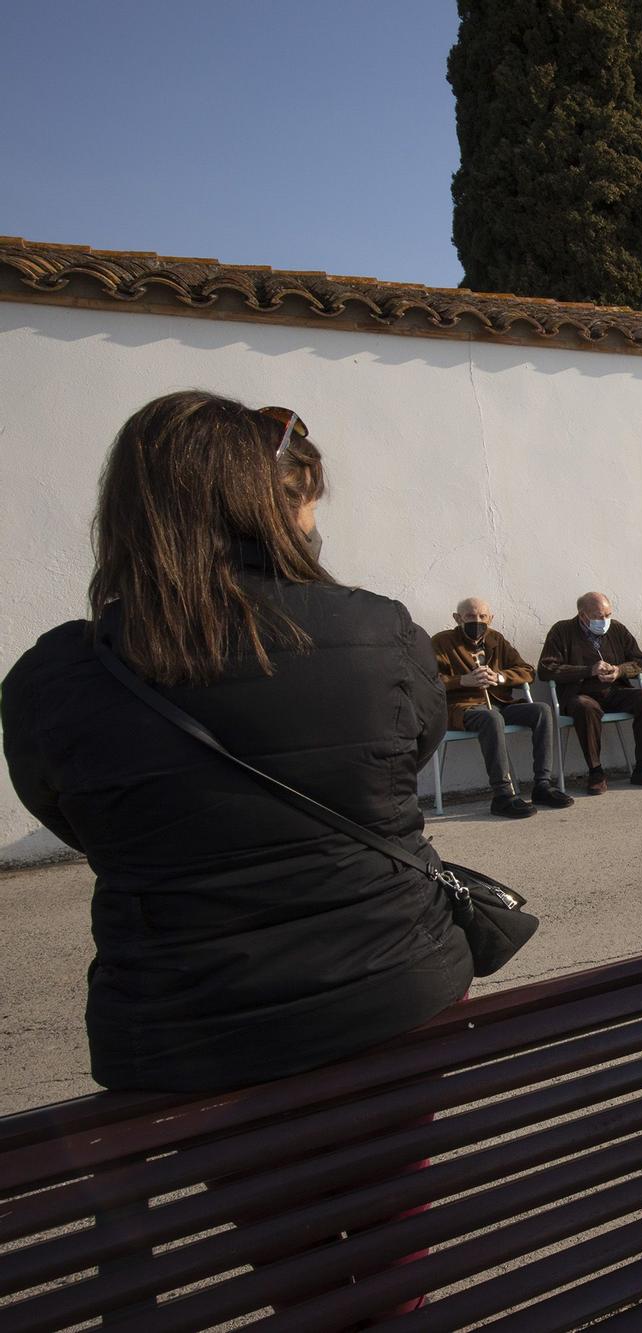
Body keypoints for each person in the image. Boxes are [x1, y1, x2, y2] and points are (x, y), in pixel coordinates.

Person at [1, 390, 474, 1093]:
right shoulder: (380, 632)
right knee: (392, 1190)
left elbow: (72, 815)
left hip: (185, 1024)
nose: (314, 524)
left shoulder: (55, 676)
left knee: (265, 1199)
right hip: (395, 984)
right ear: (266, 507)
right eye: (307, 502)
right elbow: (408, 753)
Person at [433, 597, 572, 817]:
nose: (477, 621)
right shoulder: (442, 642)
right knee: (491, 718)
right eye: (470, 616)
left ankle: (542, 785)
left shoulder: (495, 639)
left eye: (482, 617)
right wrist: (462, 680)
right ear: (457, 618)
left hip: (500, 702)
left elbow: (527, 671)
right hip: (463, 707)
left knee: (541, 711)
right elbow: (428, 680)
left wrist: (498, 677)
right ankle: (503, 795)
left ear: (491, 618)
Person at [537, 592, 642, 794]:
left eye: (608, 615)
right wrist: (588, 670)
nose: (604, 621)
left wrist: (619, 671)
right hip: (581, 694)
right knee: (584, 706)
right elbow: (546, 668)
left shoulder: (617, 629)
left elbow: (641, 661)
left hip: (615, 691)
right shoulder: (562, 631)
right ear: (583, 616)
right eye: (598, 616)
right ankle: (596, 772)